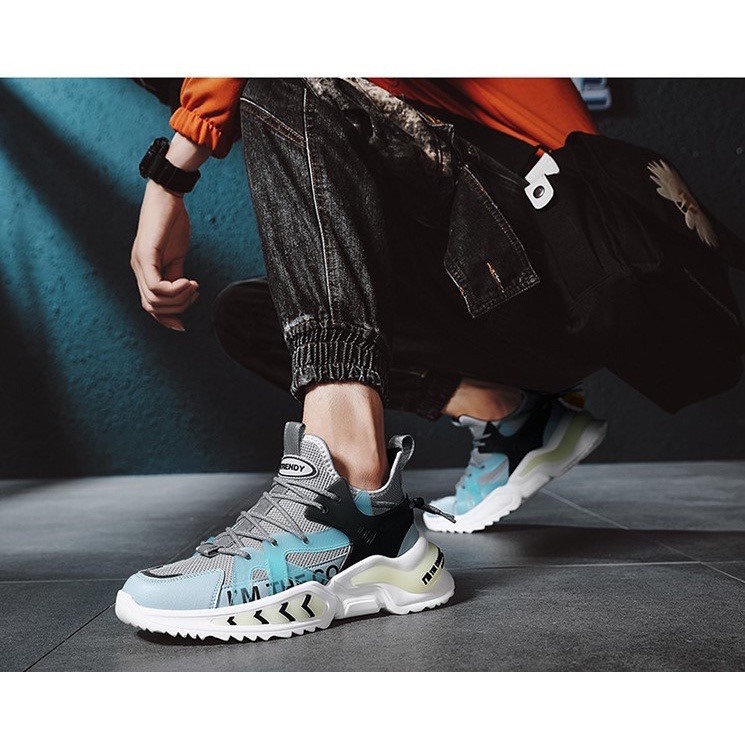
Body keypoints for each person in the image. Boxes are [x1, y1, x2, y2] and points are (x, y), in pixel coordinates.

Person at [117, 78, 745, 641]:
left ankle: (347, 494)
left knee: (286, 81)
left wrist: (171, 176)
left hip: (564, 250)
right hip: (490, 300)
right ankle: (512, 413)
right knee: (249, 317)